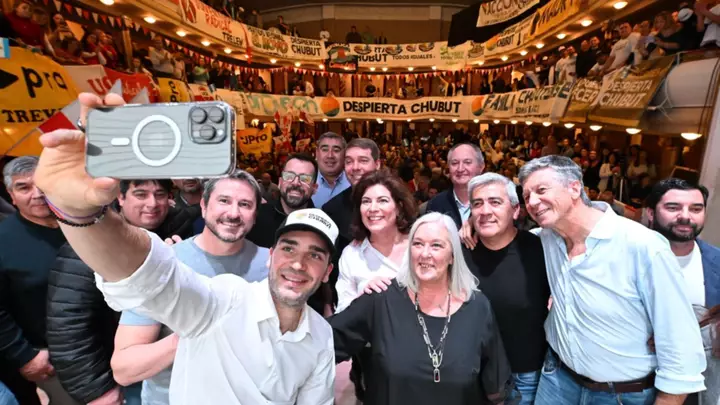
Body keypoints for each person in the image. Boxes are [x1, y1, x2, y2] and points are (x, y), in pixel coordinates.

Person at [33, 92, 338, 404]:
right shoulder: (227, 296)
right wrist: (80, 213)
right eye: (289, 249)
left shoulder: (319, 335)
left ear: (328, 271)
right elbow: (146, 274)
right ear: (272, 255)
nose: (298, 263)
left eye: (314, 255)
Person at [518, 156, 706, 405]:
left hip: (622, 394)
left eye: (541, 190)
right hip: (557, 381)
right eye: (526, 195)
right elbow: (502, 239)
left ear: (574, 188)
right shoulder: (545, 239)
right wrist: (472, 227)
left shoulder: (643, 246)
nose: (532, 202)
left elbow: (680, 343)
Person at [111, 172, 270, 405]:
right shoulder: (166, 265)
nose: (233, 213)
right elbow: (124, 369)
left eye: (244, 204)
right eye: (224, 201)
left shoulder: (270, 265)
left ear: (255, 215)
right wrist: (193, 334)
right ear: (204, 206)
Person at [329, 212, 512, 405]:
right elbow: (323, 343)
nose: (425, 253)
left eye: (436, 245)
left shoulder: (477, 307)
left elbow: (496, 386)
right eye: (417, 244)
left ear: (452, 256)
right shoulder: (380, 299)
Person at [46, 179, 191, 405]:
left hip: (175, 369)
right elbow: (67, 324)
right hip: (123, 375)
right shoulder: (90, 244)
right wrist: (96, 390)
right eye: (141, 194)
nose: (152, 203)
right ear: (120, 198)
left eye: (160, 194)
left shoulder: (179, 225)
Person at [459, 173, 550, 405]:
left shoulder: (541, 249)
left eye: (495, 202)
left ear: (515, 210)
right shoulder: (458, 253)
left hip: (523, 377)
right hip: (468, 374)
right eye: (477, 204)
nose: (485, 211)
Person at [645, 178, 720, 405]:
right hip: (632, 383)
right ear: (650, 213)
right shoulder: (625, 257)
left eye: (696, 209)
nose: (685, 216)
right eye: (673, 207)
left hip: (696, 386)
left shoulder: (716, 262)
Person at [247, 154, 318, 249]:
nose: (295, 183)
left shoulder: (323, 226)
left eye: (305, 179)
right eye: (289, 176)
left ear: (314, 188)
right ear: (280, 183)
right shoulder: (256, 217)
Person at [425, 144, 485, 229]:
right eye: (454, 163)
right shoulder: (436, 204)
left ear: (481, 166)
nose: (460, 169)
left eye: (467, 162)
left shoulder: (493, 203)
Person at [312, 132, 350, 209]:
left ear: (345, 154)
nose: (330, 155)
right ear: (317, 153)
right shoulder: (306, 183)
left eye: (336, 150)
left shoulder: (353, 183)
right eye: (325, 150)